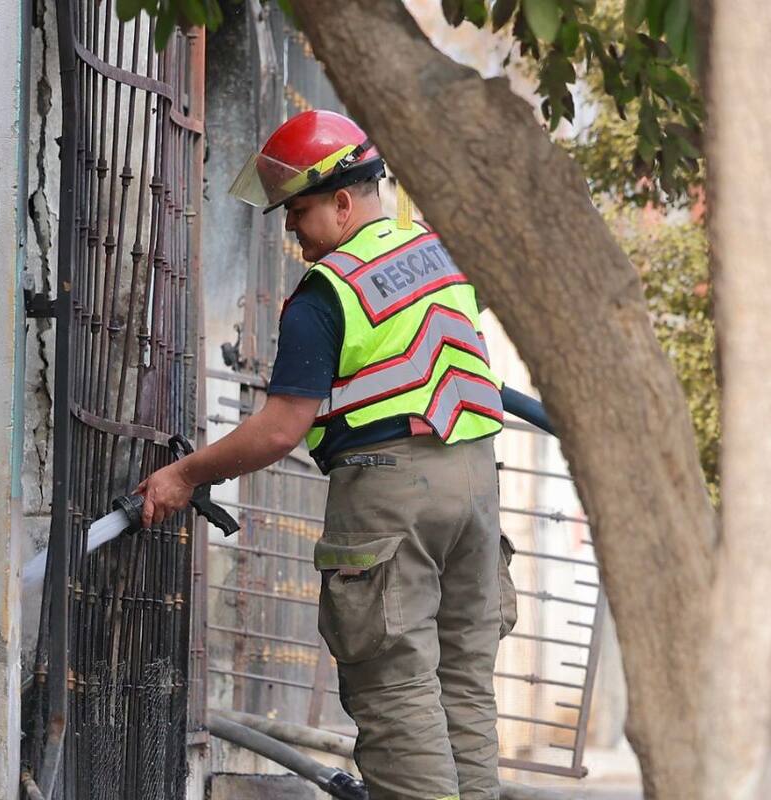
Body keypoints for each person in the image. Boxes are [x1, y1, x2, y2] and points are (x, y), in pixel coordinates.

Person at [135, 109, 511, 800]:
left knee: (396, 686)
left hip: (389, 493)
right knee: (463, 680)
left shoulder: (327, 292)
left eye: (298, 212)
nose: (292, 231)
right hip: (477, 484)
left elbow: (281, 430)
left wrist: (184, 474)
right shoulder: (441, 253)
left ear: (342, 202)